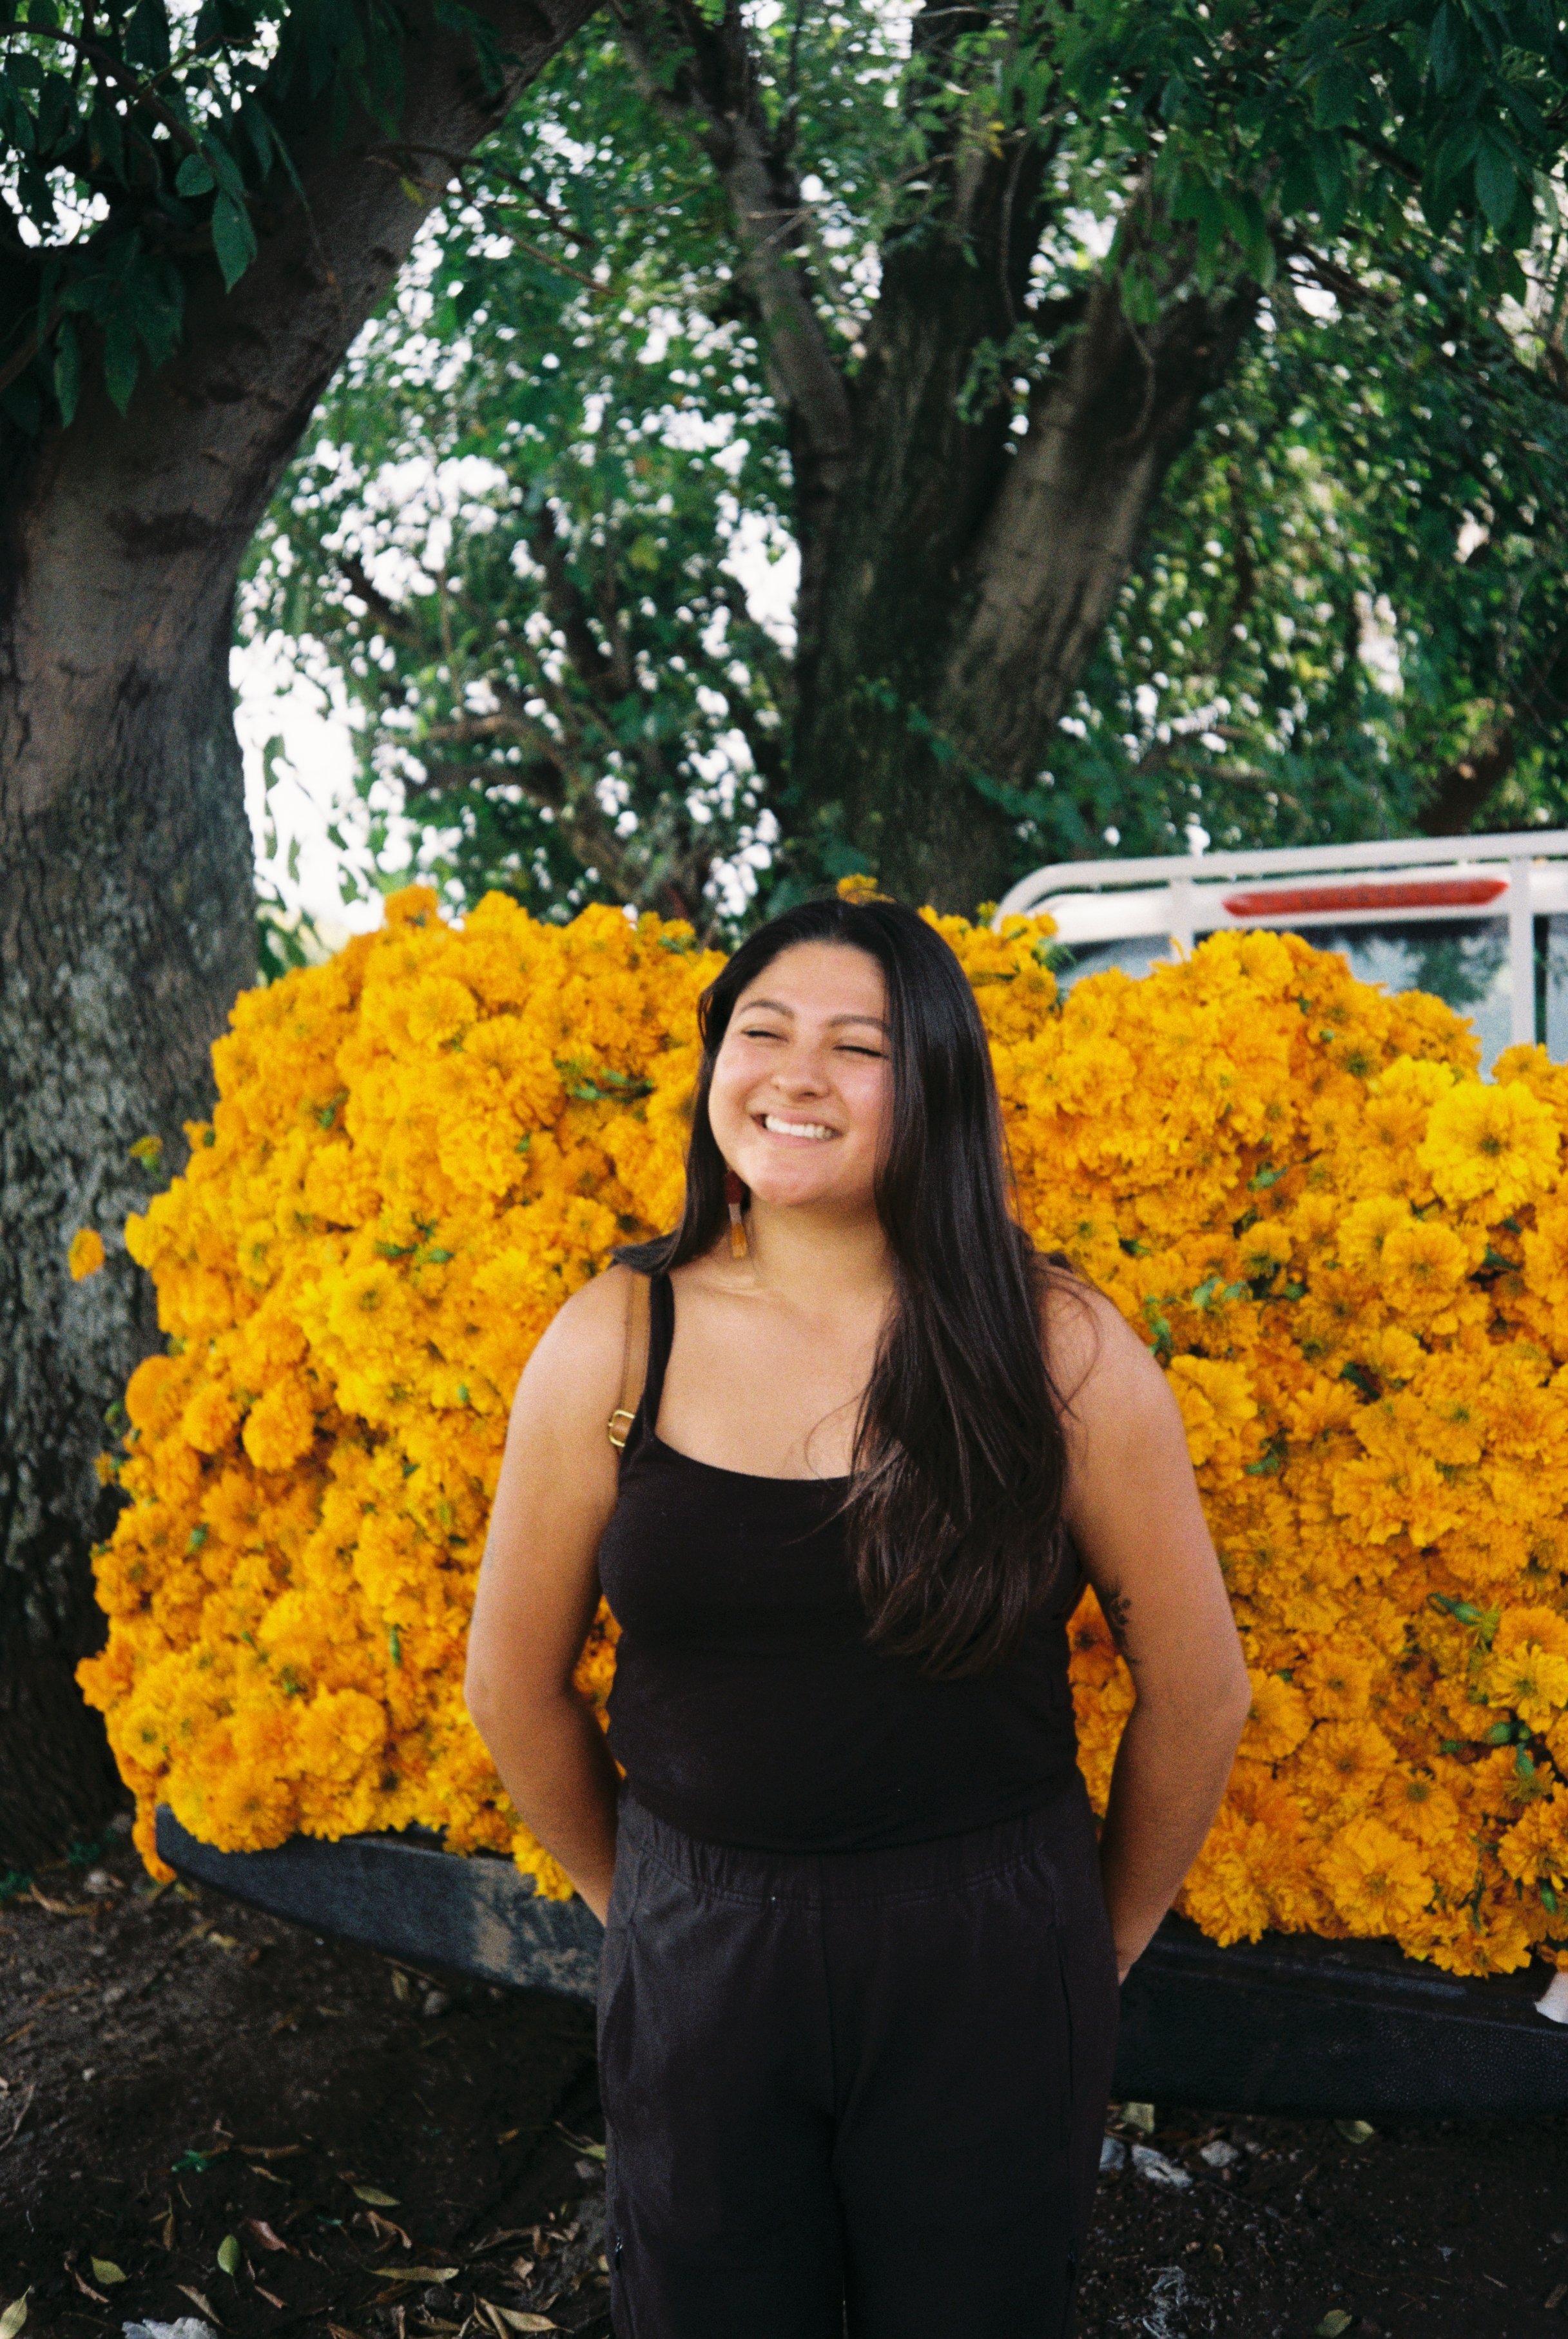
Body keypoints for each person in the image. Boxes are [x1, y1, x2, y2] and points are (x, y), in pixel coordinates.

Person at [465, 892, 1250, 2339]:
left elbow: (1196, 1691)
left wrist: (1098, 1940)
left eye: (856, 1045)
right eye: (759, 1032)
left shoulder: (1058, 1347)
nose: (794, 1074)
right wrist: (640, 1907)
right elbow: (513, 1686)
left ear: (936, 1084)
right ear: (713, 1071)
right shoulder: (614, 1339)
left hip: (989, 1952)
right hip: (701, 1944)